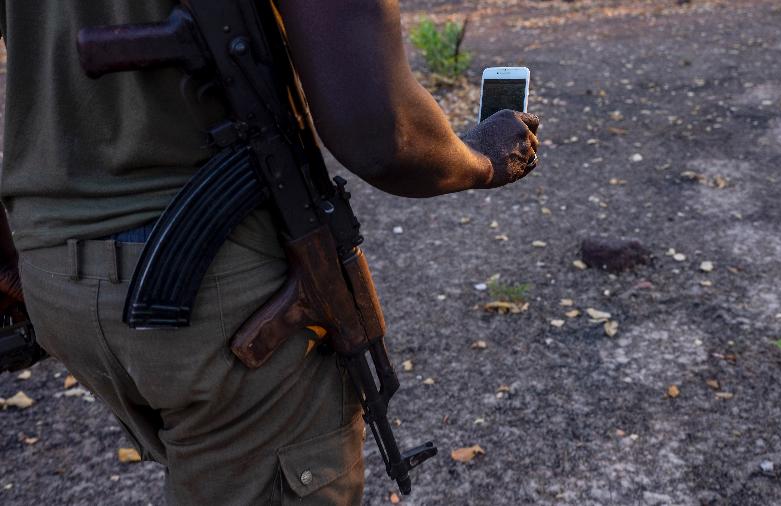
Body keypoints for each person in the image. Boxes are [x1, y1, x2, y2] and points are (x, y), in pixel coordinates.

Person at [0, 1, 539, 504]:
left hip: (52, 276)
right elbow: (382, 132)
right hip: (217, 307)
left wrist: (10, 266)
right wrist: (481, 160)